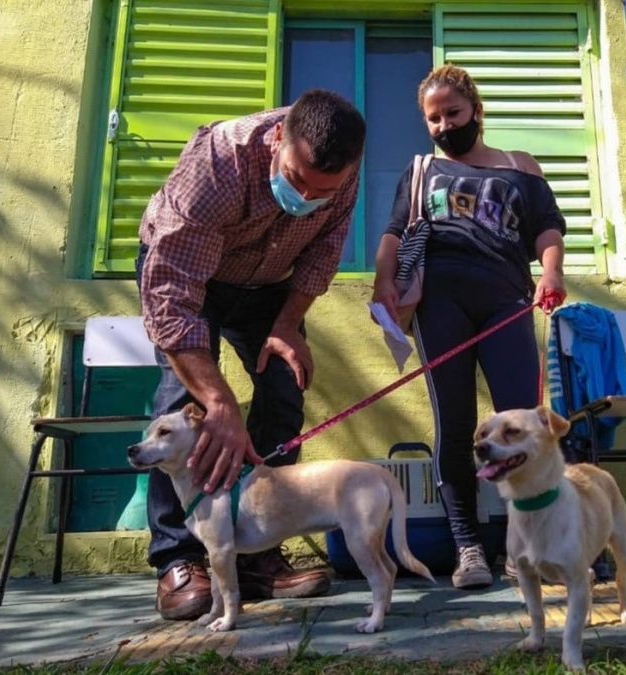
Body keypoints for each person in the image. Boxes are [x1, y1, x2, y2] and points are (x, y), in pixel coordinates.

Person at [137, 89, 366, 620]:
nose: (308, 194)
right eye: (298, 179)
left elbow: (322, 254)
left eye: (322, 190)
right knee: (181, 403)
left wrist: (288, 323)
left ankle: (258, 551)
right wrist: (218, 402)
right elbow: (172, 297)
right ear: (277, 144)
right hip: (193, 278)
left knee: (284, 389)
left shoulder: (343, 172)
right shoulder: (218, 164)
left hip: (270, 284)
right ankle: (180, 557)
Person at [371, 65, 567, 590]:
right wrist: (383, 284)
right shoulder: (420, 172)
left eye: (452, 114)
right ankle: (469, 549)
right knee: (456, 427)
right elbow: (394, 233)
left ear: (476, 111)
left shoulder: (519, 167)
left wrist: (551, 272)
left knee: (523, 427)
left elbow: (547, 227)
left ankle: (521, 546)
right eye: (432, 119)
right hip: (441, 307)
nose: (442, 126)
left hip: (507, 302)